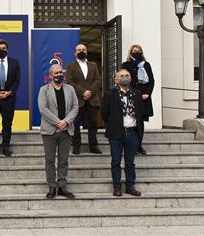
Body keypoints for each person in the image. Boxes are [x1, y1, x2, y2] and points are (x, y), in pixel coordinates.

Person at [38, 64, 79, 199]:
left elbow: (75, 107)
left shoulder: (70, 89)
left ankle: (62, 186)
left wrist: (66, 122)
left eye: (60, 72)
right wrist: (58, 122)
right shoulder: (44, 90)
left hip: (66, 130)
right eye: (56, 73)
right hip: (50, 131)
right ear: (50, 75)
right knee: (50, 160)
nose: (59, 75)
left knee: (63, 160)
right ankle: (52, 186)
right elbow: (43, 109)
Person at [101, 69, 144, 197]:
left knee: (130, 162)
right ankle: (117, 187)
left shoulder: (137, 93)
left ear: (131, 78)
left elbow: (141, 113)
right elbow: (104, 114)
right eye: (122, 76)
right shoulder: (109, 94)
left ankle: (130, 186)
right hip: (116, 133)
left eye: (127, 75)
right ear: (116, 79)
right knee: (116, 161)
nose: (125, 78)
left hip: (132, 133)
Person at [66, 44, 102, 154]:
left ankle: (93, 146)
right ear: (75, 53)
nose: (81, 51)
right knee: (76, 124)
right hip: (77, 99)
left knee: (93, 123)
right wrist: (83, 92)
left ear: (86, 52)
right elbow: (70, 82)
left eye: (83, 50)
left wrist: (89, 92)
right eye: (79, 50)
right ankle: (76, 146)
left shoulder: (93, 65)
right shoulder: (70, 66)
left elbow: (98, 79)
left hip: (92, 98)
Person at [121, 44, 154, 155]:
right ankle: (132, 146)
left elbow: (151, 81)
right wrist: (132, 94)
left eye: (139, 51)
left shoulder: (146, 64)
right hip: (131, 97)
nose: (137, 52)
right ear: (130, 53)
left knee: (140, 122)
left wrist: (147, 94)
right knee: (132, 121)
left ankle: (139, 145)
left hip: (144, 97)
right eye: (134, 51)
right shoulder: (126, 65)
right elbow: (124, 80)